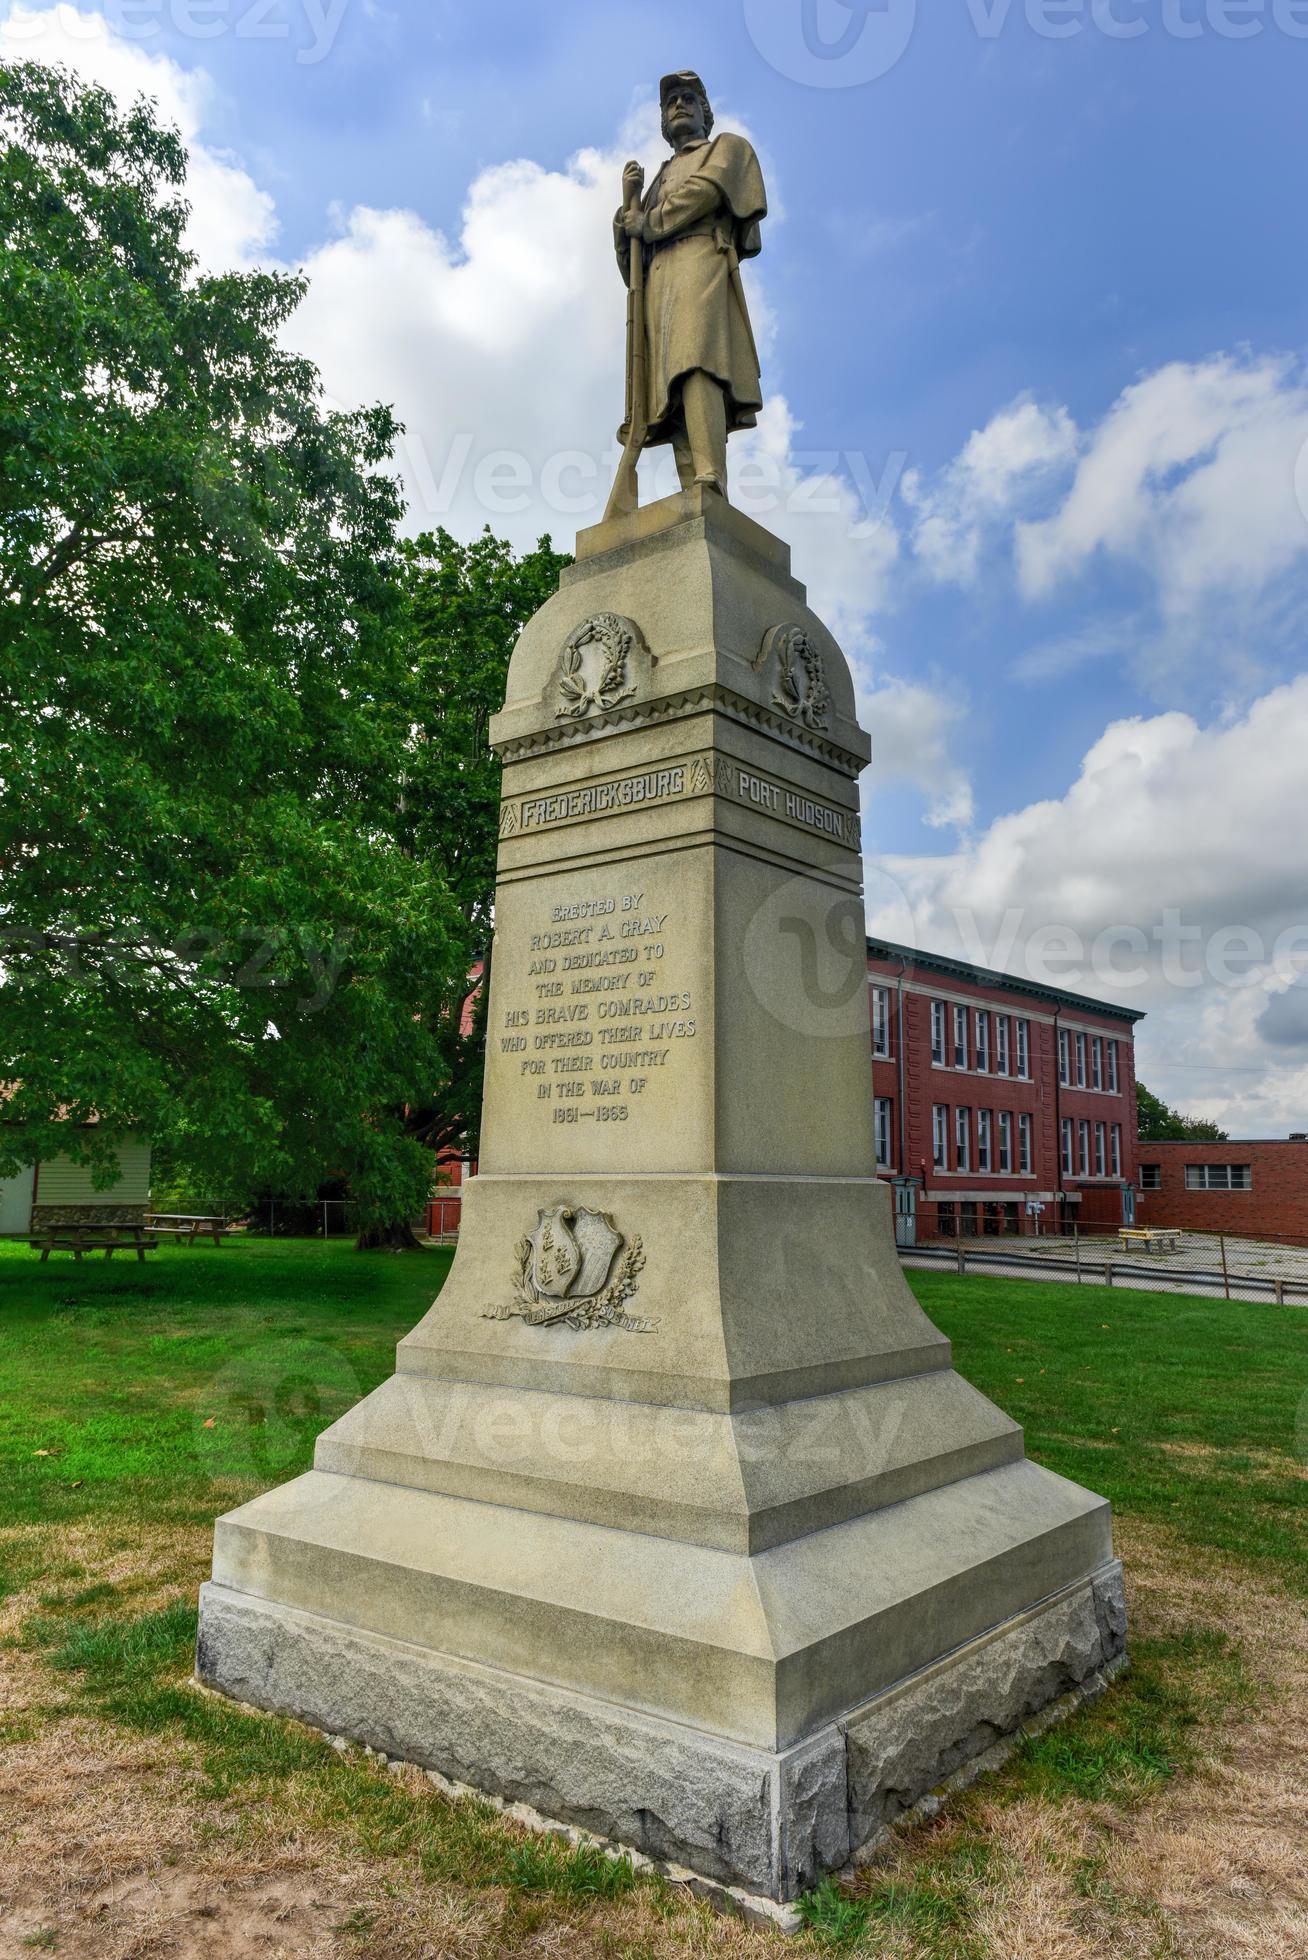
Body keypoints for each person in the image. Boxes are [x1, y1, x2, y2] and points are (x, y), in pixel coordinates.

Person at [614, 72, 767, 497]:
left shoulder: (727, 148)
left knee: (697, 360)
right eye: (670, 103)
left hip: (701, 259)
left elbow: (707, 190)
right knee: (669, 388)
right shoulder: (657, 179)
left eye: (687, 99)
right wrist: (624, 216)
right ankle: (695, 488)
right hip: (661, 278)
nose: (678, 105)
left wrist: (648, 221)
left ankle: (710, 474)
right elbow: (633, 266)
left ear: (704, 112)